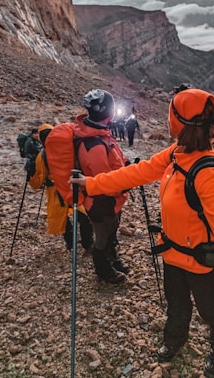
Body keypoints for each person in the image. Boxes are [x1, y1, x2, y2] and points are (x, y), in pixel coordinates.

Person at [69, 86, 214, 377]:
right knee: (176, 306)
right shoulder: (176, 154)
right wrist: (90, 185)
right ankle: (174, 340)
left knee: (213, 312)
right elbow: (135, 174)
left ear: (176, 121)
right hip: (173, 257)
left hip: (205, 265)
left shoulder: (208, 174)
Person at [73, 89, 130, 284]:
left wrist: (126, 166)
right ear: (108, 112)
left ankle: (112, 260)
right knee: (103, 235)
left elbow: (114, 160)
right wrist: (125, 185)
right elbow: (103, 182)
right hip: (102, 201)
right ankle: (104, 270)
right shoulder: (94, 144)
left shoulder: (99, 134)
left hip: (110, 200)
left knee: (111, 231)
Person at [28, 124, 94, 252]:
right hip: (73, 187)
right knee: (83, 216)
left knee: (63, 221)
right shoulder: (69, 147)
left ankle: (71, 244)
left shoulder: (42, 156)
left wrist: (30, 174)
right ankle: (88, 243)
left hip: (56, 192)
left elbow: (37, 182)